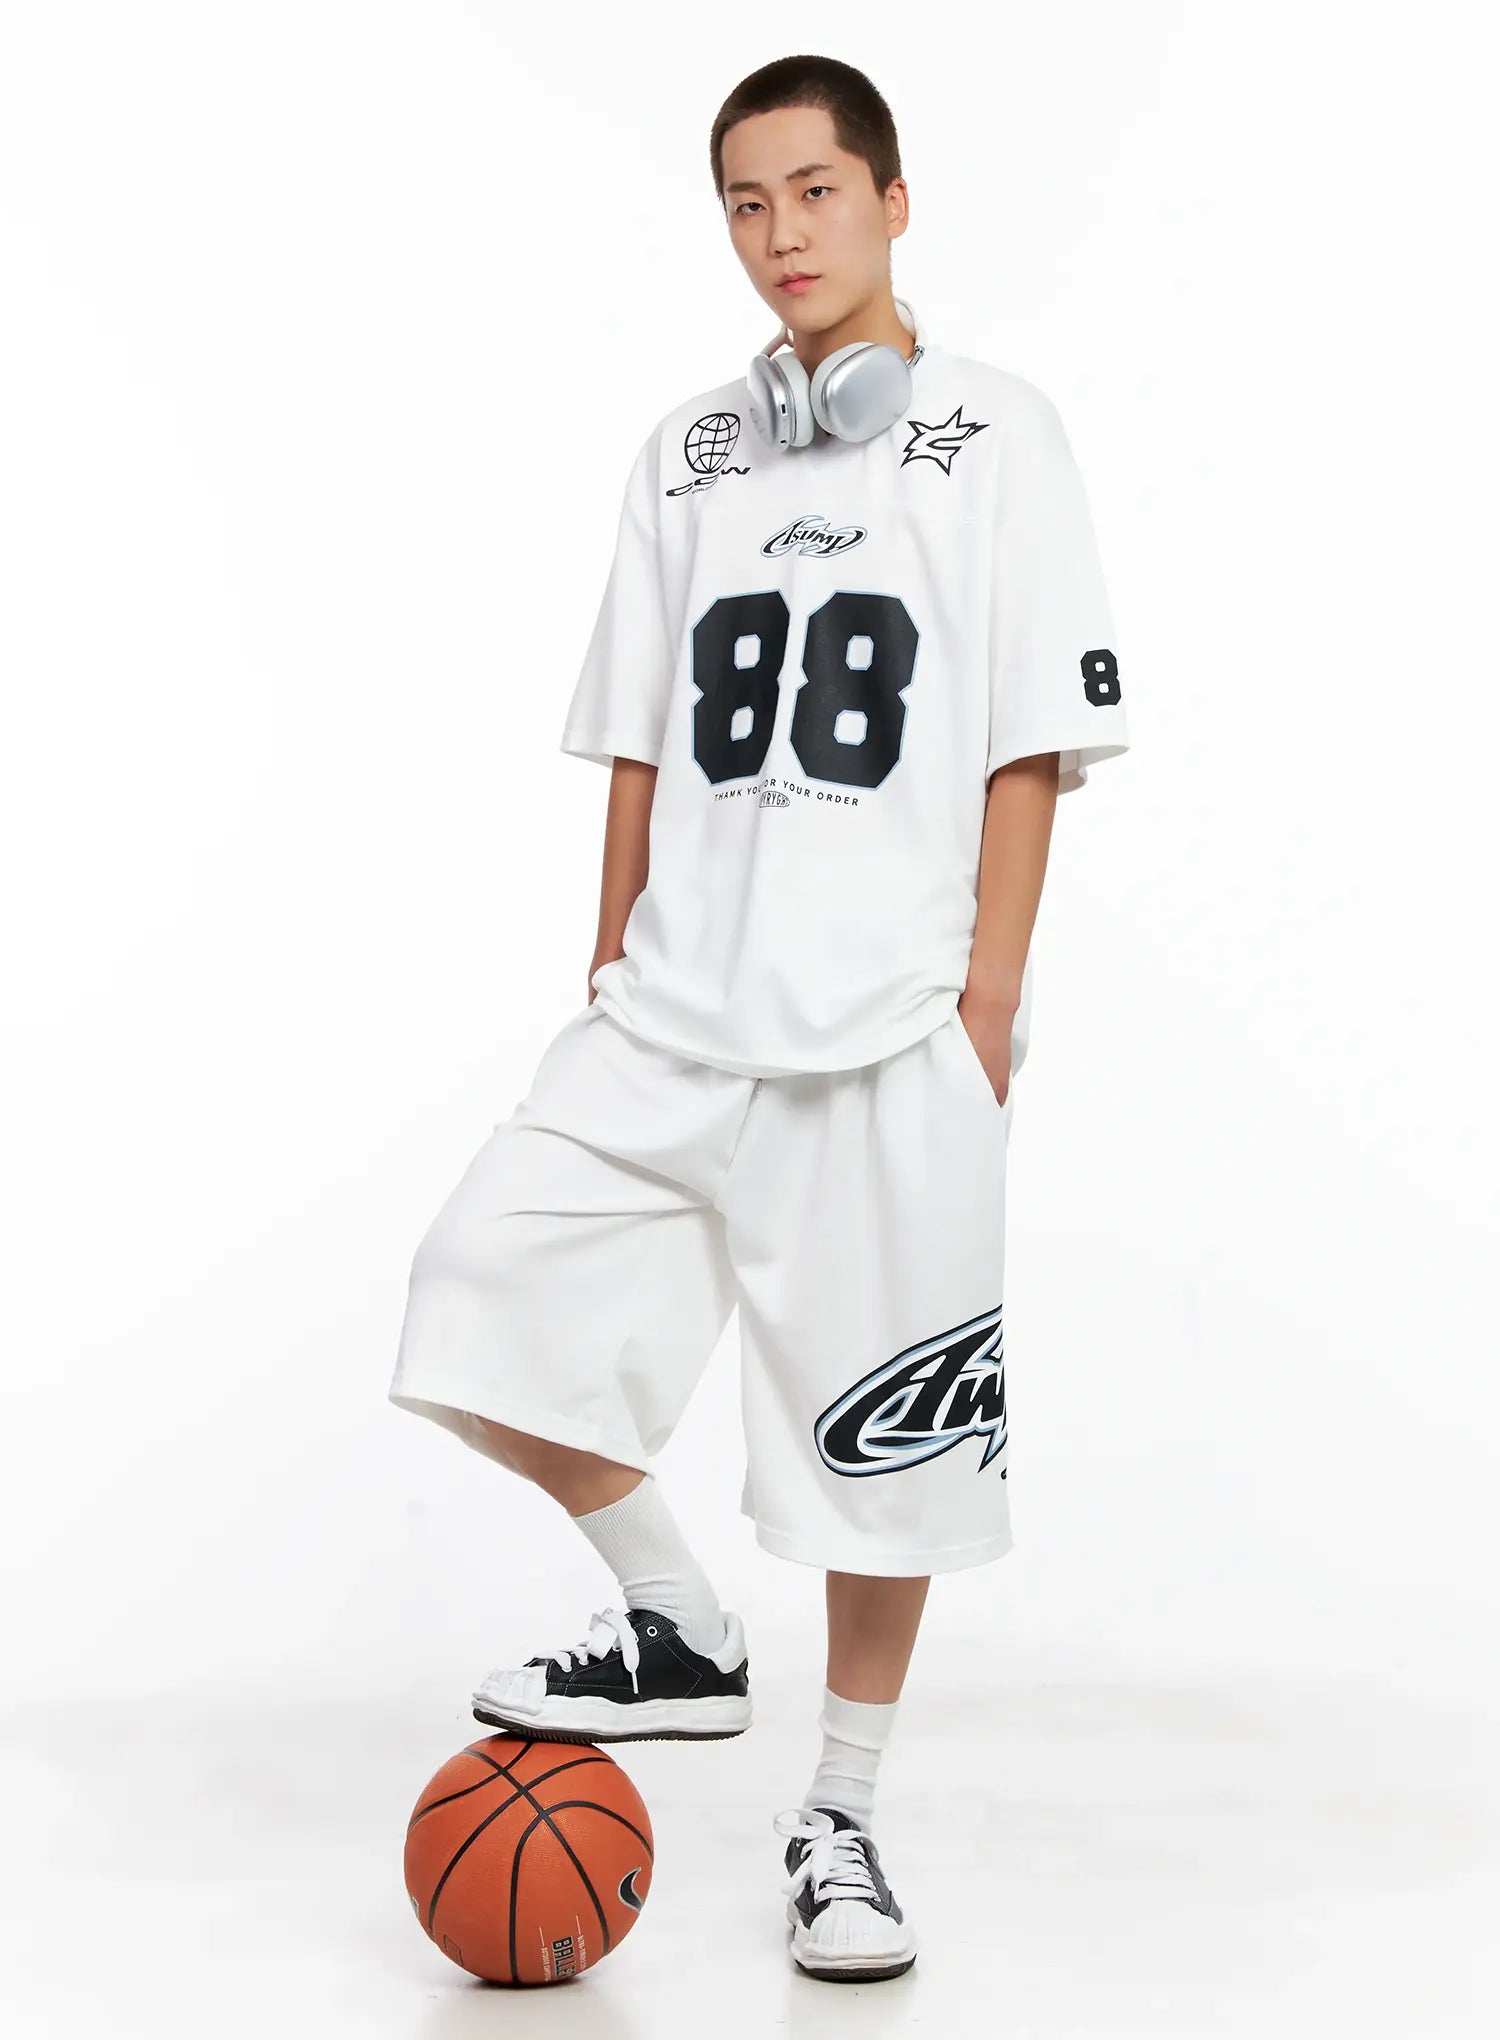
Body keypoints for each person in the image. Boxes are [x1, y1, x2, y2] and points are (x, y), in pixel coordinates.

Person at [388, 52, 1130, 1984]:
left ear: (892, 199)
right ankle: (677, 1623)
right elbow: (638, 730)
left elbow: (1028, 741)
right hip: (676, 1013)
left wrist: (986, 1004)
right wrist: (607, 954)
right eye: (745, 201)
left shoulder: (1002, 435)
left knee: (882, 1466)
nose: (781, 234)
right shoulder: (686, 454)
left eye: (814, 191)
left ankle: (842, 1818)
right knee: (472, 1291)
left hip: (889, 1029)